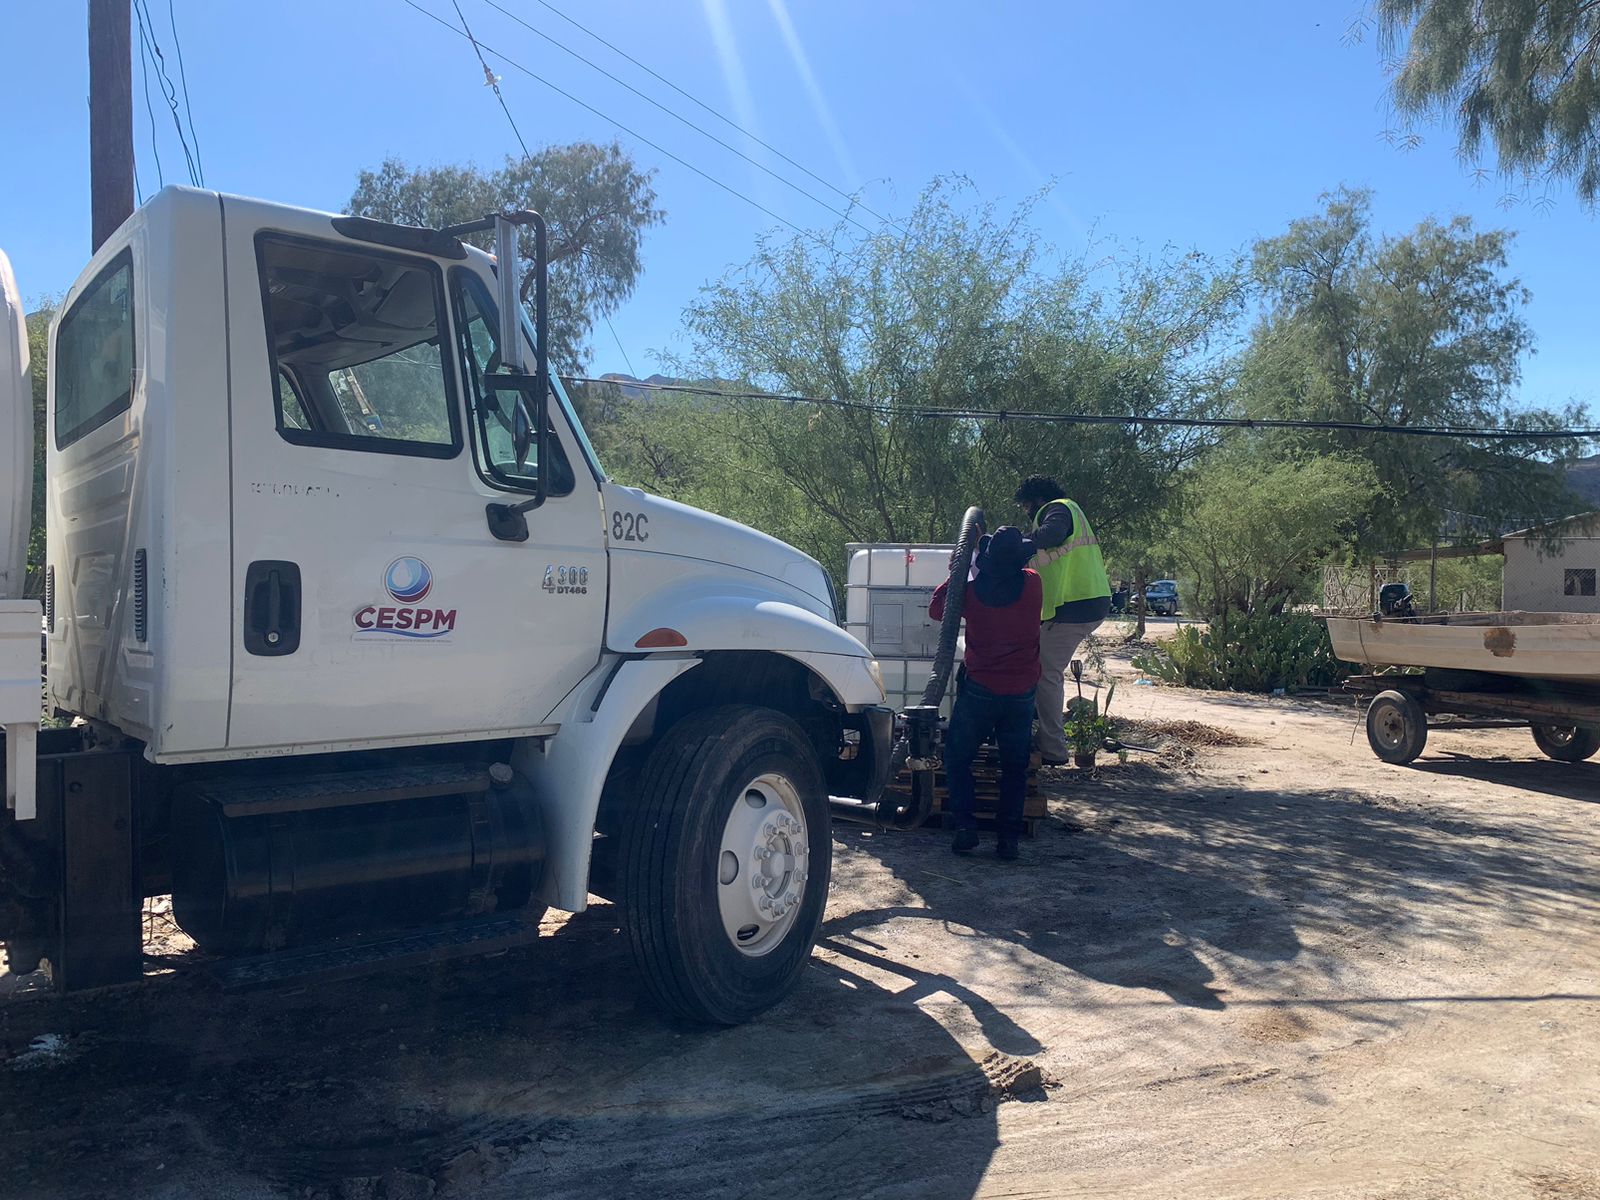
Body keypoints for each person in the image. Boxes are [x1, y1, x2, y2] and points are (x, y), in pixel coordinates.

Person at [928, 526, 1042, 861]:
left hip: (981, 690)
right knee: (1014, 766)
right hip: (1022, 691)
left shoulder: (972, 595)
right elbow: (1012, 570)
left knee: (958, 757)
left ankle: (966, 828)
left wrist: (957, 570)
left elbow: (937, 609)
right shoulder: (1034, 584)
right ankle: (1008, 840)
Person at [1013, 474, 1113, 766]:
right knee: (1037, 667)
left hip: (1076, 605)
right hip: (1080, 604)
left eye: (1026, 506)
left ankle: (1053, 750)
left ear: (1037, 500)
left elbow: (1052, 535)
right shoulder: (1071, 511)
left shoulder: (1057, 508)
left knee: (1046, 673)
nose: (1026, 511)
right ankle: (1036, 735)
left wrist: (1016, 542)